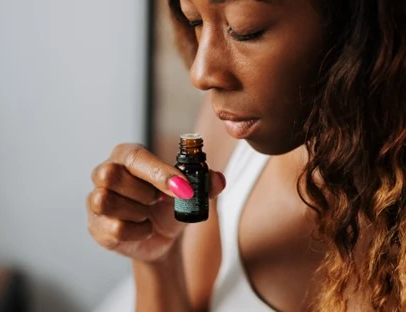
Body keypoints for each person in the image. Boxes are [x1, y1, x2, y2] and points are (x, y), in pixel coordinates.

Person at [87, 0, 405, 311]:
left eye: (245, 30)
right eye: (195, 21)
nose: (200, 73)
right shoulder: (229, 131)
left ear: (355, 28)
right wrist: (156, 258)